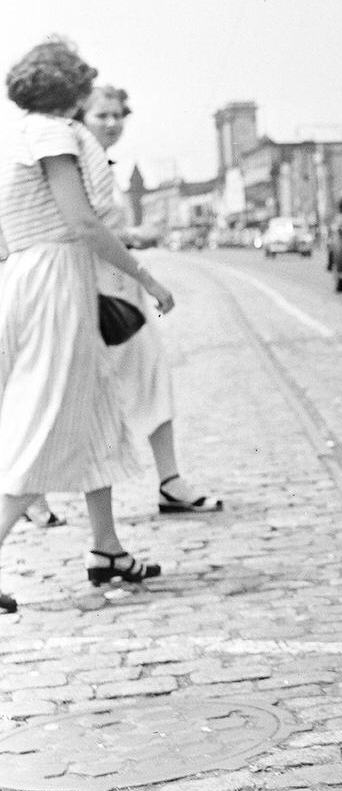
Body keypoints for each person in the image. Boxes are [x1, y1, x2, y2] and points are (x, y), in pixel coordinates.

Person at [0, 38, 174, 613]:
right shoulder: (52, 134)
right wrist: (146, 277)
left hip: (38, 274)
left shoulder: (18, 134)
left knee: (96, 407)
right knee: (44, 416)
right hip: (56, 278)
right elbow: (82, 221)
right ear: (70, 90)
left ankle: (107, 548)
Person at [81, 86, 222, 514]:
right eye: (101, 115)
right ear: (81, 117)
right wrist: (135, 237)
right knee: (99, 394)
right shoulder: (84, 163)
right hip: (105, 295)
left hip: (118, 291)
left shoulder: (98, 163)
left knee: (146, 378)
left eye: (117, 115)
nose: (112, 122)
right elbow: (87, 228)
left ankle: (169, 481)